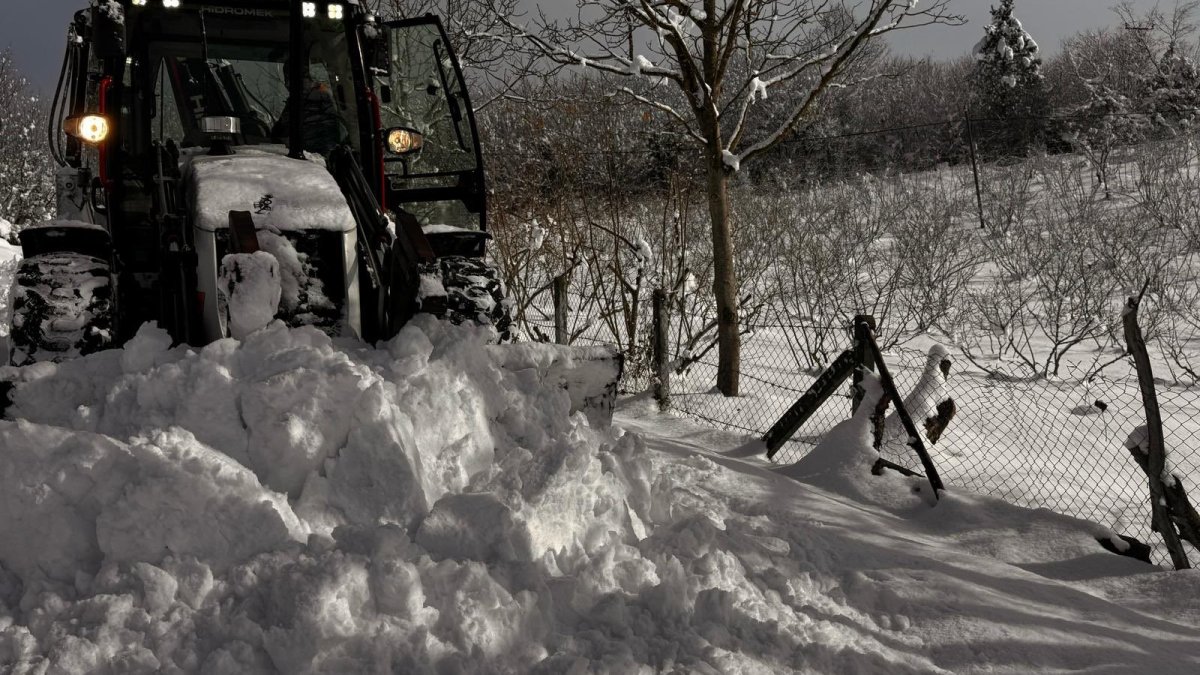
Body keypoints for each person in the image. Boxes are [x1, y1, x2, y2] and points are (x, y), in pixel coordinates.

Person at [271, 60, 349, 155]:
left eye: (292, 79)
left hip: (310, 161)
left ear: (308, 78)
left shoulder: (320, 99)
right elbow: (281, 131)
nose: (287, 84)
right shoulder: (296, 101)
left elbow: (328, 140)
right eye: (286, 79)